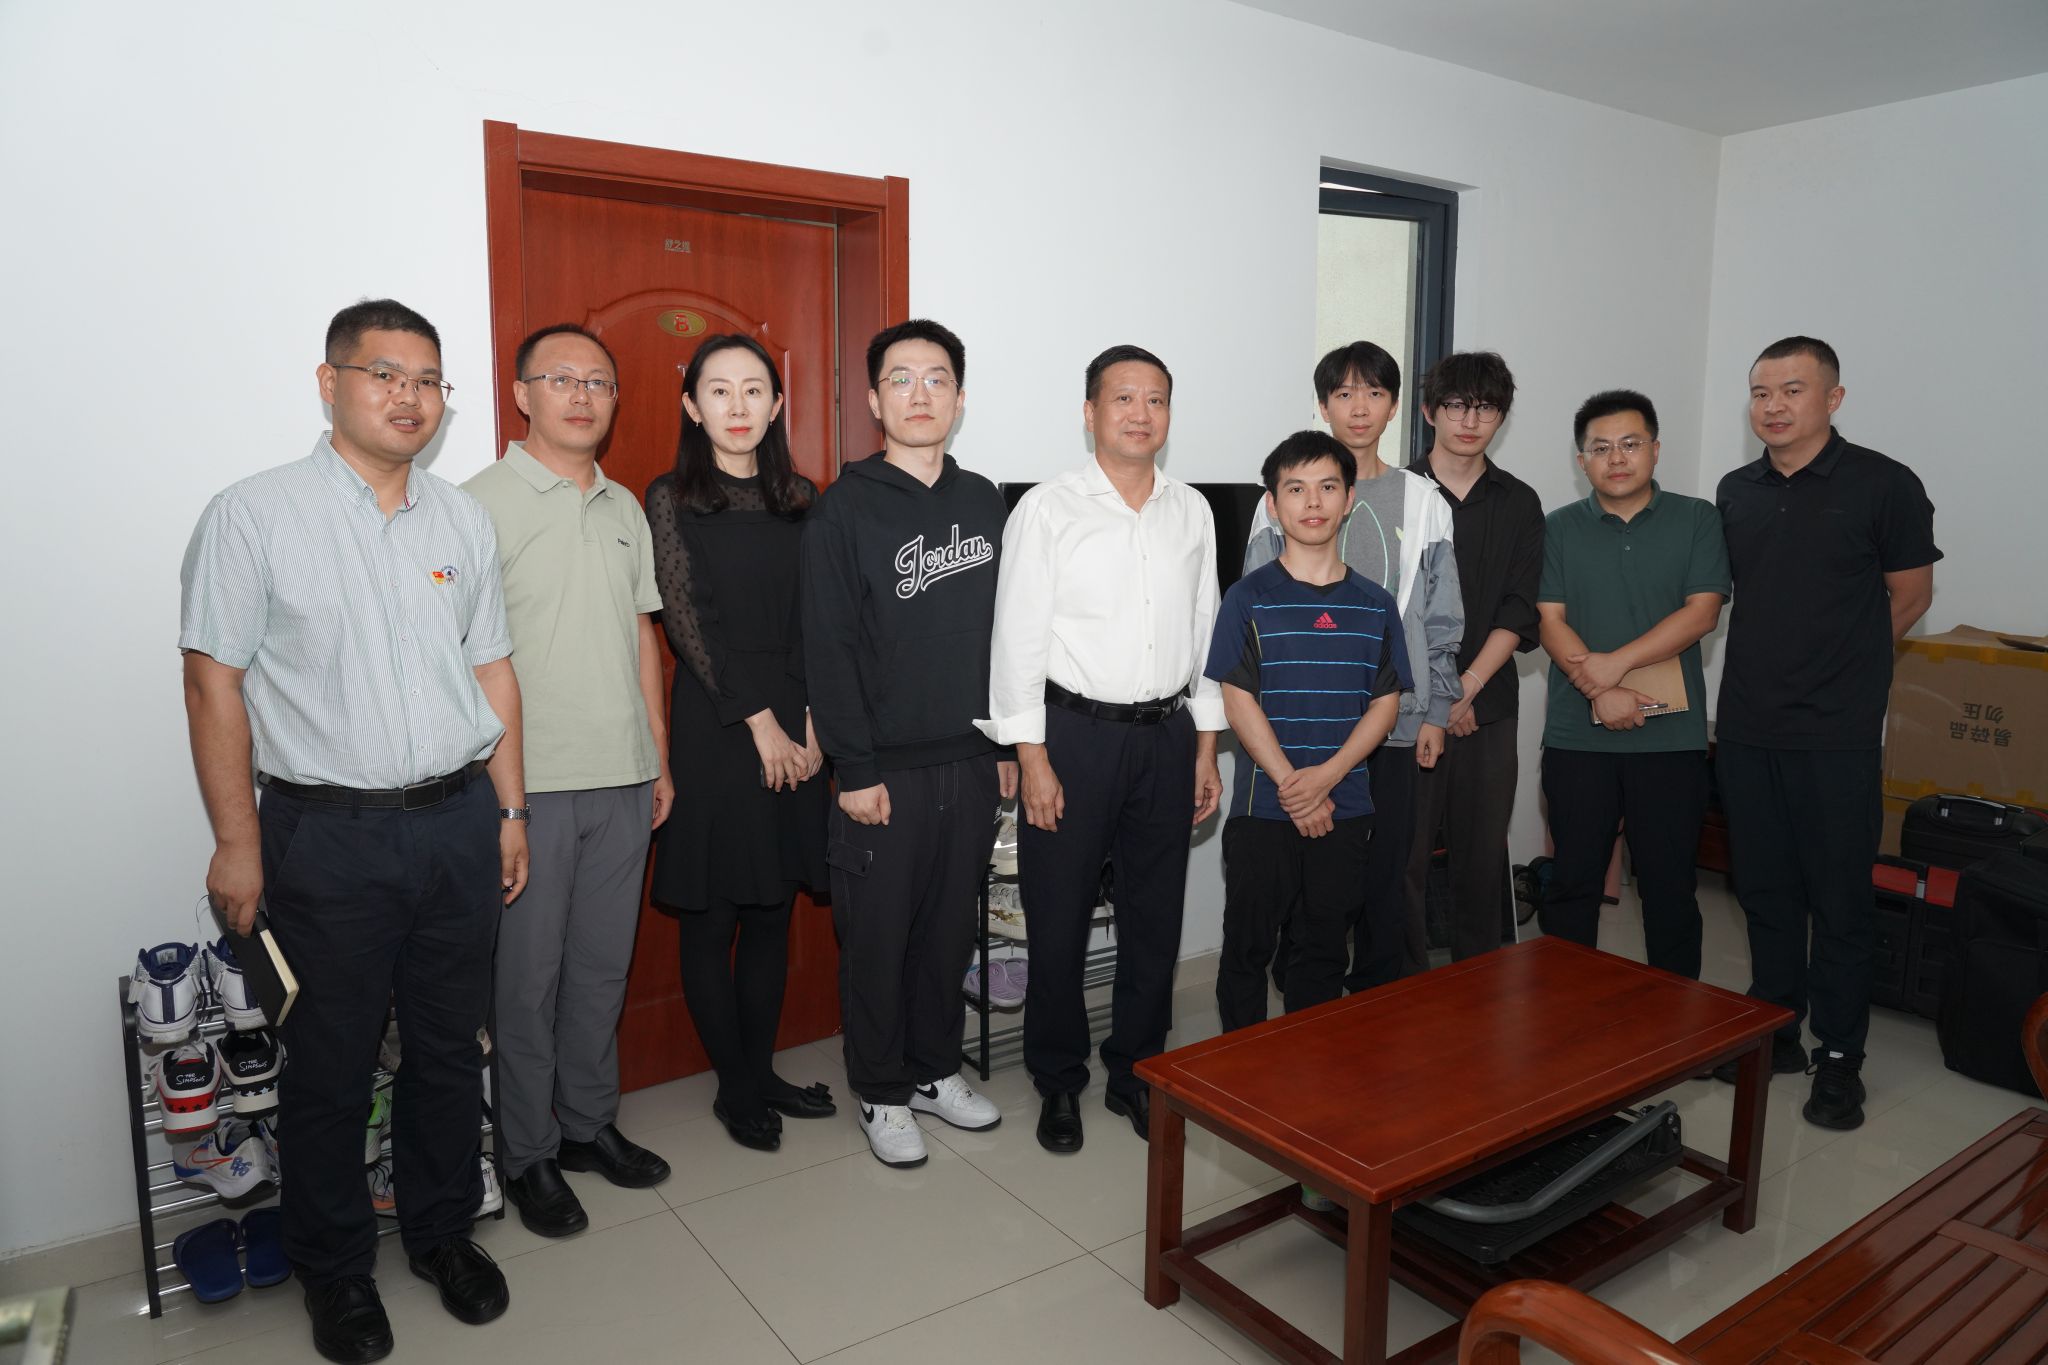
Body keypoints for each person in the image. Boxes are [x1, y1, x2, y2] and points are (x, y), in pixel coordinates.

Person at [181, 299, 519, 1362]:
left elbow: (493, 669)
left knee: (448, 1051)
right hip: (326, 838)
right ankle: (334, 1271)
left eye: (427, 380)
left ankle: (440, 1233)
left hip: (458, 822)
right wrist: (237, 841)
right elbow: (212, 682)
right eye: (384, 374)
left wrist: (510, 810)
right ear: (330, 383)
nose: (409, 397)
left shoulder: (460, 520)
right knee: (327, 1068)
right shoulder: (253, 515)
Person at [983, 344, 1226, 1154]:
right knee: (1058, 916)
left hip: (1167, 735)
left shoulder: (1191, 510)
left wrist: (1206, 746)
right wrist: (1034, 756)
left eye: (1155, 399)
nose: (1139, 413)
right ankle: (1059, 1078)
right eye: (1123, 398)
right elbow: (1016, 639)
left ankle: (1137, 1070)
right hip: (1074, 738)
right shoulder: (1048, 508)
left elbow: (1207, 630)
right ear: (1089, 413)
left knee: (1155, 917)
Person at [461, 324, 673, 1239]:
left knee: (600, 970)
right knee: (525, 984)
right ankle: (528, 1153)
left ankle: (588, 1125)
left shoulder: (625, 506)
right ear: (521, 394)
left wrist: (657, 754)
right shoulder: (474, 505)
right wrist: (502, 800)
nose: (582, 395)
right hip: (529, 786)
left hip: (623, 777)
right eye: (561, 378)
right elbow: (465, 662)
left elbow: (641, 634)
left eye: (599, 381)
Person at [800, 319, 1013, 1168]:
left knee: (949, 936)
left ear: (960, 399)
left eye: (937, 379)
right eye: (901, 378)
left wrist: (1008, 743)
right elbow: (827, 647)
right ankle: (881, 1089)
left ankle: (933, 1069)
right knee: (879, 940)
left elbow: (1009, 633)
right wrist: (853, 767)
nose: (920, 394)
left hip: (972, 758)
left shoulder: (985, 499)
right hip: (882, 772)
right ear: (872, 398)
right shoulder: (843, 507)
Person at [1714, 337, 1938, 1130]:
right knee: (1764, 889)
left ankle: (1840, 1056)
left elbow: (1911, 594)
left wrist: (1844, 664)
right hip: (1747, 725)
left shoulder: (1884, 483)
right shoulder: (1735, 490)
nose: (1773, 405)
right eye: (1760, 392)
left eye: (1792, 389)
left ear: (1833, 398)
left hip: (1837, 734)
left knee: (1840, 900)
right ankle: (1776, 1026)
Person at [647, 333, 834, 1154]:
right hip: (720, 723)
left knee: (771, 909)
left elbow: (821, 615)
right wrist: (761, 723)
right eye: (718, 391)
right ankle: (734, 1085)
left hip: (798, 715)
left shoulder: (802, 495)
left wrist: (815, 721)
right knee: (714, 911)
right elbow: (688, 622)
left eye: (754, 389)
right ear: (692, 406)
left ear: (776, 403)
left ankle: (761, 1072)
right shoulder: (671, 497)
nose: (737, 406)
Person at [1245, 341, 1462, 990]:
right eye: (1343, 394)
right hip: (1305, 724)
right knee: (1307, 884)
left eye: (1373, 393)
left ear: (1395, 407)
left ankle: (1374, 1012)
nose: (1358, 407)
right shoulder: (1281, 499)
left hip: (1396, 722)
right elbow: (1256, 613)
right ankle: (1307, 1016)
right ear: (1323, 406)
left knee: (1386, 879)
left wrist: (1438, 712)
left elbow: (1442, 618)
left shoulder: (1425, 501)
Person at [1210, 431, 1409, 1031]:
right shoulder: (1247, 597)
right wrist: (1293, 785)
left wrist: (1325, 779)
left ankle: (1309, 1069)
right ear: (1274, 505)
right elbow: (1237, 698)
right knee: (1248, 948)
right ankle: (1241, 1067)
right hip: (1262, 809)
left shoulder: (1376, 604)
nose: (1313, 502)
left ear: (1349, 499)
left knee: (1323, 949)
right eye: (1295, 489)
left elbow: (1386, 704)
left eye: (1327, 487)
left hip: (1345, 806)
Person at [1536, 390, 1728, 977]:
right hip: (1577, 737)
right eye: (1600, 448)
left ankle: (1675, 1017)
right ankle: (1566, 1010)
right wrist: (1600, 691)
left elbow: (1702, 613)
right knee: (1572, 884)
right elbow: (1548, 620)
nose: (1616, 458)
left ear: (1655, 449)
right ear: (1581, 461)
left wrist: (1613, 665)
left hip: (1670, 740)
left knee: (1670, 890)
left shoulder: (1697, 518)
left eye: (1630, 443)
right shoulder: (1558, 527)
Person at [1404, 351, 1542, 965]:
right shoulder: (1394, 494)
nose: (1469, 420)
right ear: (1429, 411)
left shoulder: (1520, 502)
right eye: (1456, 405)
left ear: (1501, 418)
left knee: (1482, 863)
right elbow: (1387, 608)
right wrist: (1439, 694)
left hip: (1488, 706)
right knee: (1402, 861)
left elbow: (1520, 605)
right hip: (1406, 709)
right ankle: (1400, 993)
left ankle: (1478, 994)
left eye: (1485, 408)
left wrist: (1465, 688)